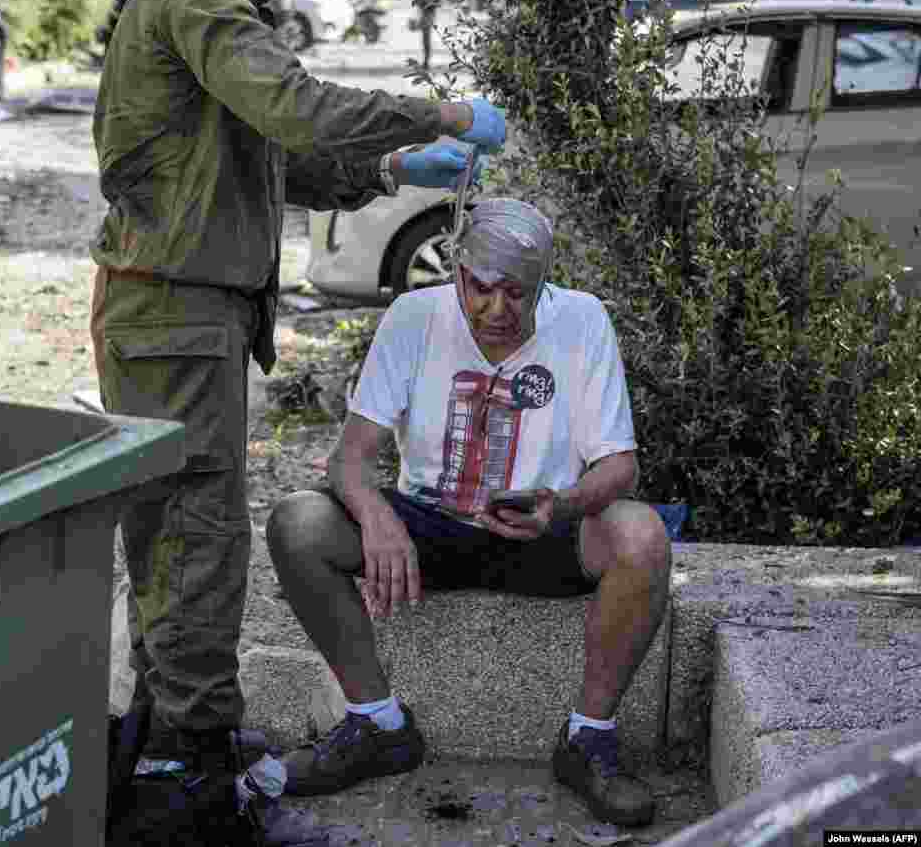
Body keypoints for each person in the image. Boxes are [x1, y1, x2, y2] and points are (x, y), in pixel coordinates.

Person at [89, 0, 506, 787]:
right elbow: (297, 109)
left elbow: (273, 158)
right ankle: (195, 765)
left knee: (178, 535)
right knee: (198, 537)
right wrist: (436, 112)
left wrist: (393, 167)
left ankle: (167, 737)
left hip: (185, 313)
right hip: (174, 312)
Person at [267, 198, 672, 829]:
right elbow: (350, 459)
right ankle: (378, 726)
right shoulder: (413, 317)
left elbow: (621, 468)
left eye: (517, 293)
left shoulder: (583, 320)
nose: (496, 310)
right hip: (429, 527)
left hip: (542, 530)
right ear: (457, 273)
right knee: (298, 523)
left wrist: (560, 505)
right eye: (481, 289)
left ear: (542, 286)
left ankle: (589, 740)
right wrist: (378, 518)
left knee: (640, 536)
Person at [410, 0, 441, 70]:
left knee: (426, 38)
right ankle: (426, 60)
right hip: (428, 11)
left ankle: (427, 61)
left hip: (428, 11)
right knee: (426, 37)